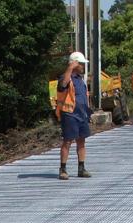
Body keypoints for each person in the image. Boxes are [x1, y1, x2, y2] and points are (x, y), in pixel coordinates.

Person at [55, 51, 92, 181]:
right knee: (68, 141)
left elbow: (84, 96)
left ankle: (81, 168)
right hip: (70, 114)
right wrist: (69, 68)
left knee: (81, 141)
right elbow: (62, 86)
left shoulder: (80, 79)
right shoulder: (66, 78)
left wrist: (88, 112)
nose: (83, 66)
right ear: (75, 63)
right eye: (81, 64)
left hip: (82, 114)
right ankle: (63, 169)